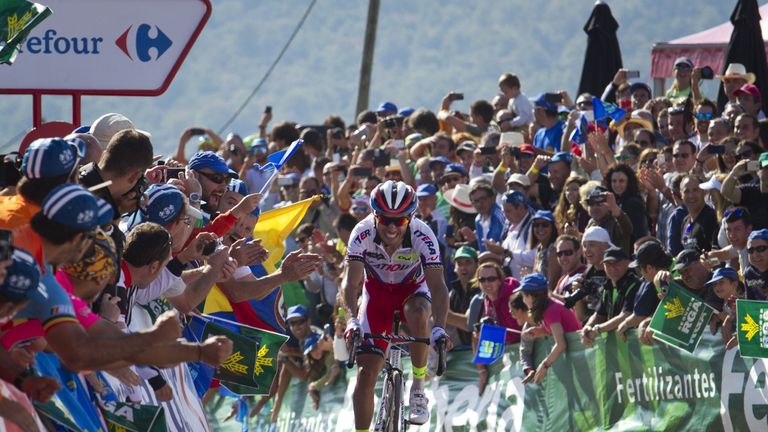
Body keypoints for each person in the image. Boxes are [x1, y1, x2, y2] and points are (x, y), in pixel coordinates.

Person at [343, 180, 449, 428]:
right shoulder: (361, 232)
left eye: (399, 220)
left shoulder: (423, 234)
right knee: (365, 375)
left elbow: (438, 286)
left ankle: (419, 388)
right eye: (385, 219)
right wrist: (351, 320)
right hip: (376, 296)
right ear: (373, 215)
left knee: (419, 310)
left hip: (412, 292)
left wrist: (440, 327)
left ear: (410, 217)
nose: (391, 227)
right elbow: (350, 284)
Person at [516, 273, 580, 384]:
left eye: (524, 296)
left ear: (531, 296)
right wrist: (540, 331)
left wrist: (544, 365)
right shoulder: (548, 308)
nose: (523, 300)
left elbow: (561, 344)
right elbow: (560, 331)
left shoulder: (551, 310)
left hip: (579, 354)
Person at [580, 247, 641, 346]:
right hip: (615, 352)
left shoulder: (635, 285)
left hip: (635, 350)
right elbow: (599, 315)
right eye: (608, 264)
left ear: (627, 263)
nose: (612, 267)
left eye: (617, 263)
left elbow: (626, 316)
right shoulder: (607, 288)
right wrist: (587, 327)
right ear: (603, 266)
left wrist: (598, 329)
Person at [616, 241, 672, 341]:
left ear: (649, 268)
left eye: (640, 268)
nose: (641, 274)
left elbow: (640, 316)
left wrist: (625, 324)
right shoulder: (672, 274)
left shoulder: (657, 281)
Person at [603, 164, 648, 243]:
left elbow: (638, 232)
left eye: (621, 181)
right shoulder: (617, 201)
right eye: (614, 181)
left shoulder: (633, 203)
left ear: (629, 182)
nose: (617, 185)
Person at [445, 246, 480, 347]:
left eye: (468, 262)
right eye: (459, 263)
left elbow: (469, 324)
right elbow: (445, 325)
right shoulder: (453, 293)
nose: (463, 267)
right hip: (460, 350)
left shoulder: (483, 288)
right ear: (455, 267)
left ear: (477, 265)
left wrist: (439, 312)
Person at [530, 210, 559, 291]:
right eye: (536, 225)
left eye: (545, 225)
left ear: (552, 227)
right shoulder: (539, 248)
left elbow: (552, 282)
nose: (540, 228)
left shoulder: (554, 248)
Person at [744, 229, 768, 299]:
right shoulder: (749, 273)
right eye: (750, 250)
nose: (755, 255)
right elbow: (749, 304)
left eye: (760, 248)